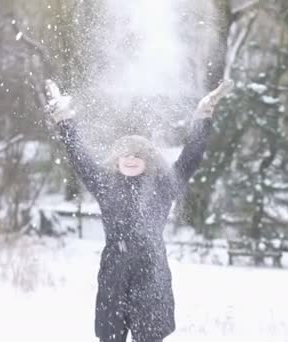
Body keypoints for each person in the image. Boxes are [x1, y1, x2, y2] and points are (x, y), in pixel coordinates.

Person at [44, 79, 234, 342]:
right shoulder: (105, 185)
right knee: (110, 338)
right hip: (114, 272)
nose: (131, 158)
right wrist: (64, 118)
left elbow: (192, 155)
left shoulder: (164, 185)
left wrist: (203, 116)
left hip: (152, 273)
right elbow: (79, 156)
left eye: (138, 154)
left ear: (149, 159)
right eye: (125, 154)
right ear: (116, 159)